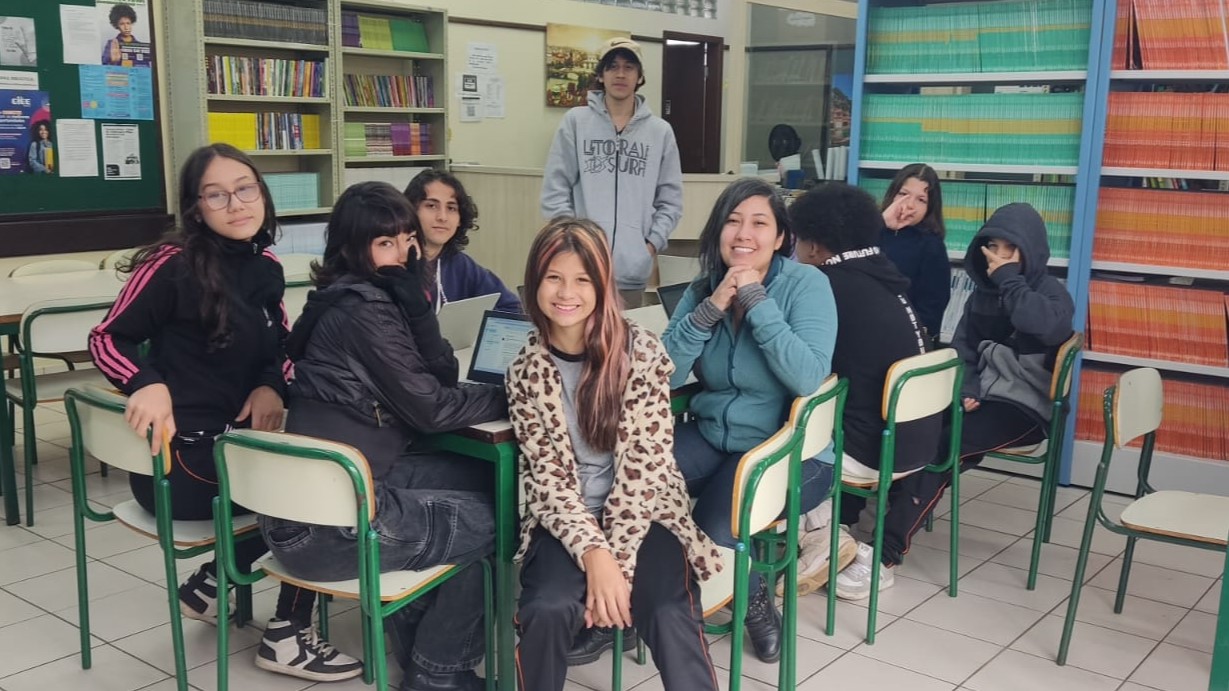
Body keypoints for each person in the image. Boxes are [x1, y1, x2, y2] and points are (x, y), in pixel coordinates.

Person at [88, 143, 363, 682]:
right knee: (317, 493)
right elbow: (105, 338)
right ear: (196, 208)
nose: (236, 203)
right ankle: (285, 635)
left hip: (234, 452)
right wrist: (145, 382)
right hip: (182, 464)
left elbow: (280, 347)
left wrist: (271, 388)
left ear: (262, 194)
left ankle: (214, 580)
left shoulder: (264, 266)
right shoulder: (171, 266)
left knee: (316, 469)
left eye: (246, 189)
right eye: (217, 195)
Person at [263, 181, 507, 691]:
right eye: (384, 243)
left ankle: (423, 651)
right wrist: (513, 395)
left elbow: (437, 375)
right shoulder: (363, 310)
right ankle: (439, 672)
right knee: (502, 514)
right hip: (330, 527)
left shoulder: (360, 294)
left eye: (405, 240)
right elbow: (434, 409)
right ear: (355, 248)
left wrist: (418, 308)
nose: (400, 254)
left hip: (329, 496)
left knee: (485, 477)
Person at [508, 218, 722, 691]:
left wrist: (615, 570)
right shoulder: (525, 368)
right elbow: (549, 483)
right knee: (547, 607)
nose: (567, 292)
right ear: (534, 282)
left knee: (667, 610)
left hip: (647, 513)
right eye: (553, 277)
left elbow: (643, 476)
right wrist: (594, 556)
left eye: (583, 279)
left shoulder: (639, 352)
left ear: (602, 285)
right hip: (567, 518)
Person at [839, 202, 1075, 598]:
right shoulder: (981, 294)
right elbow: (963, 350)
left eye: (1009, 249)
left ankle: (884, 556)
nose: (997, 258)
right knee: (910, 426)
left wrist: (1010, 279)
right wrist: (967, 389)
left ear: (1029, 251)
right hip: (980, 396)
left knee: (943, 448)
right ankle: (846, 524)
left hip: (1025, 409)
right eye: (992, 247)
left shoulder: (1050, 293)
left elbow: (1040, 325)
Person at [662, 177, 837, 663]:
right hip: (715, 437)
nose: (744, 233)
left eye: (760, 223)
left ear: (781, 237)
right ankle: (653, 599)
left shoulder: (808, 285)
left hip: (787, 453)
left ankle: (751, 598)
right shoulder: (702, 288)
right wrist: (711, 308)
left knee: (716, 528)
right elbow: (662, 373)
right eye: (733, 221)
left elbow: (807, 377)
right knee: (632, 484)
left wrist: (757, 300)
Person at [790, 182, 944, 600]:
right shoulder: (883, 274)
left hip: (869, 451)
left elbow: (801, 369)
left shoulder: (827, 286)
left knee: (776, 423)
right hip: (916, 441)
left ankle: (831, 537)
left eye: (798, 241)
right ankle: (826, 534)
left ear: (816, 246)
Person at [541, 37, 683, 308]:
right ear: (601, 75)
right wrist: (575, 243)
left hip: (632, 273)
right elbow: (554, 191)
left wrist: (649, 246)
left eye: (629, 67)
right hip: (581, 270)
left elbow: (671, 201)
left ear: (640, 76)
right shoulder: (576, 122)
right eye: (612, 66)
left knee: (622, 346)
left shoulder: (660, 132)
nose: (620, 74)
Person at [403, 169, 521, 312]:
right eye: (431, 206)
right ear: (411, 210)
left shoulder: (461, 265)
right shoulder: (393, 262)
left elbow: (511, 308)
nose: (442, 217)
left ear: (460, 219)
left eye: (451, 208)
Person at [878, 163, 950, 345]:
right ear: (892, 194)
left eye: (921, 200)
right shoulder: (873, 228)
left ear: (930, 207)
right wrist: (880, 223)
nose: (909, 205)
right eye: (903, 194)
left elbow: (932, 308)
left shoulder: (931, 245)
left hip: (903, 339)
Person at [101, 3, 151, 67]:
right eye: (122, 24)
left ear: (132, 23)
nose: (126, 27)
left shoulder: (140, 46)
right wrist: (113, 62)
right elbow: (104, 68)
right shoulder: (111, 44)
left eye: (128, 23)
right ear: (117, 25)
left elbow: (146, 69)